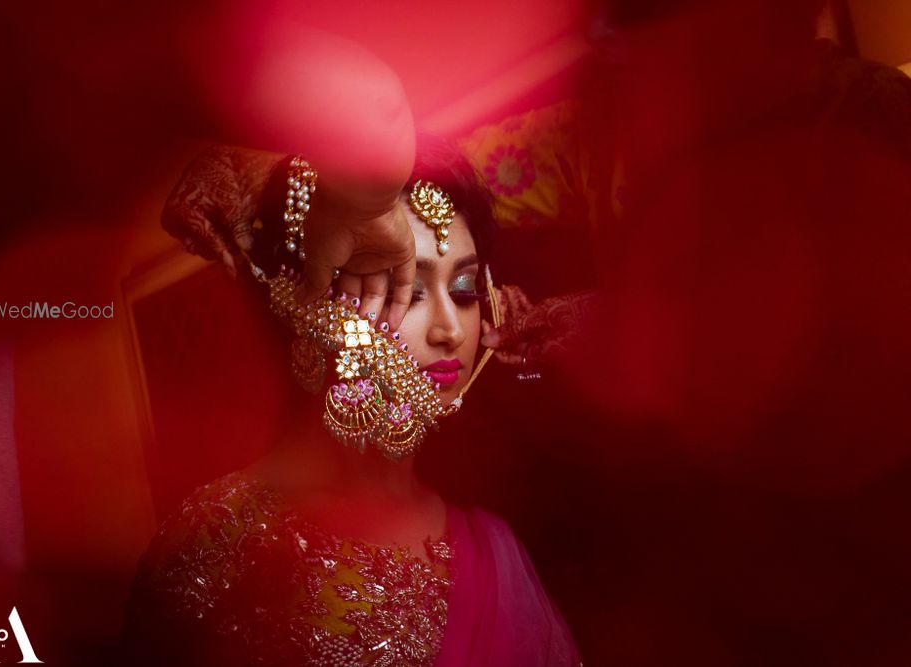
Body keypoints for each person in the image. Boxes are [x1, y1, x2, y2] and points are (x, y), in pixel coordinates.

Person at [120, 138, 581, 666]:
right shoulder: (215, 543)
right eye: (404, 291)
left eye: (464, 289)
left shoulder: (496, 549)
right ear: (305, 305)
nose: (451, 330)